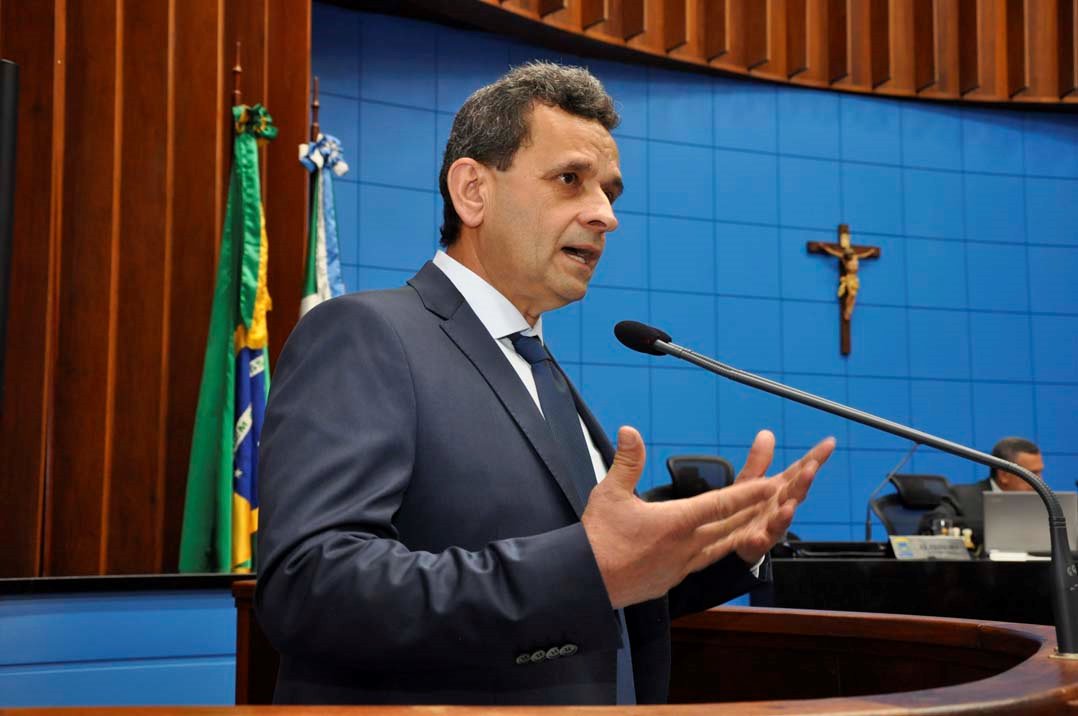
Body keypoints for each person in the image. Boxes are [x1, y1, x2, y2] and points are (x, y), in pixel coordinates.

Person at [255, 62, 835, 706]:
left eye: (610, 192)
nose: (605, 215)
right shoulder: (367, 334)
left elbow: (593, 603)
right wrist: (586, 567)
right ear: (473, 191)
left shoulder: (535, 364)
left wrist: (718, 551)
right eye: (570, 180)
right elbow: (311, 587)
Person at [920, 437, 1044, 549]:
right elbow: (933, 523)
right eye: (1032, 474)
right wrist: (990, 528)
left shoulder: (1044, 503)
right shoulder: (963, 497)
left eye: (1040, 472)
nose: (1040, 481)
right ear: (1004, 475)